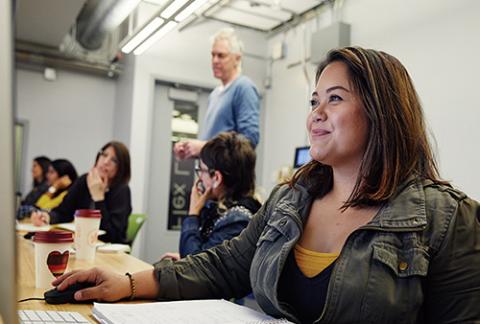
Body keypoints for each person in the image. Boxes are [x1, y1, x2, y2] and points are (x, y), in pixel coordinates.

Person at [51, 47, 480, 323]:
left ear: (382, 113)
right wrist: (125, 283)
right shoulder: (290, 200)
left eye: (334, 98)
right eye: (314, 101)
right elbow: (224, 267)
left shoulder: (446, 218)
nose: (315, 113)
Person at [163, 132, 261, 261]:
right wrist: (183, 257)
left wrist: (193, 213)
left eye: (201, 171)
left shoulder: (236, 219)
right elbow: (205, 255)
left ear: (216, 178)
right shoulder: (225, 211)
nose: (199, 178)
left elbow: (196, 268)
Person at [173, 27, 260, 160]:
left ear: (237, 58)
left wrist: (204, 146)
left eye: (221, 55)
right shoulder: (215, 94)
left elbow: (249, 142)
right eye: (213, 55)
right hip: (210, 176)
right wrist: (191, 149)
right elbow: (212, 146)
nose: (214, 60)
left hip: (229, 178)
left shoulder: (244, 88)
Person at [31, 141, 132, 243]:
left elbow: (111, 236)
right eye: (104, 155)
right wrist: (47, 217)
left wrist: (98, 198)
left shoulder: (122, 190)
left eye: (114, 160)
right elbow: (63, 212)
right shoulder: (84, 180)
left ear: (121, 168)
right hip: (82, 243)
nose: (106, 162)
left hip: (110, 252)